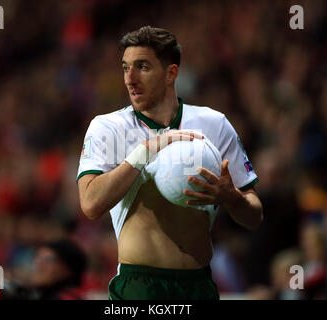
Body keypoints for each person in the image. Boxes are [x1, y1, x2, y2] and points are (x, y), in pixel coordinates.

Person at [77, 26, 263, 300]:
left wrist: (231, 198)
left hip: (199, 285)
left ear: (171, 73)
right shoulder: (108, 127)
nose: (130, 79)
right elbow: (90, 204)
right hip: (140, 286)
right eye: (125, 67)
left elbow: (255, 216)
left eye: (142, 67)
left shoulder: (214, 124)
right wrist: (144, 152)